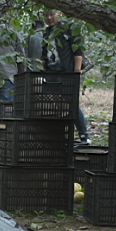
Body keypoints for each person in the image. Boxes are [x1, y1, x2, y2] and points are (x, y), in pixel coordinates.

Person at [42, 10, 90, 145]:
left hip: (67, 72)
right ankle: (59, 135)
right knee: (55, 105)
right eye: (46, 15)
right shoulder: (47, 33)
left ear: (59, 13)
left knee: (72, 104)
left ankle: (84, 136)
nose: (49, 17)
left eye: (52, 14)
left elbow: (78, 52)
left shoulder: (70, 28)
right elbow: (44, 55)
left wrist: (75, 73)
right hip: (52, 73)